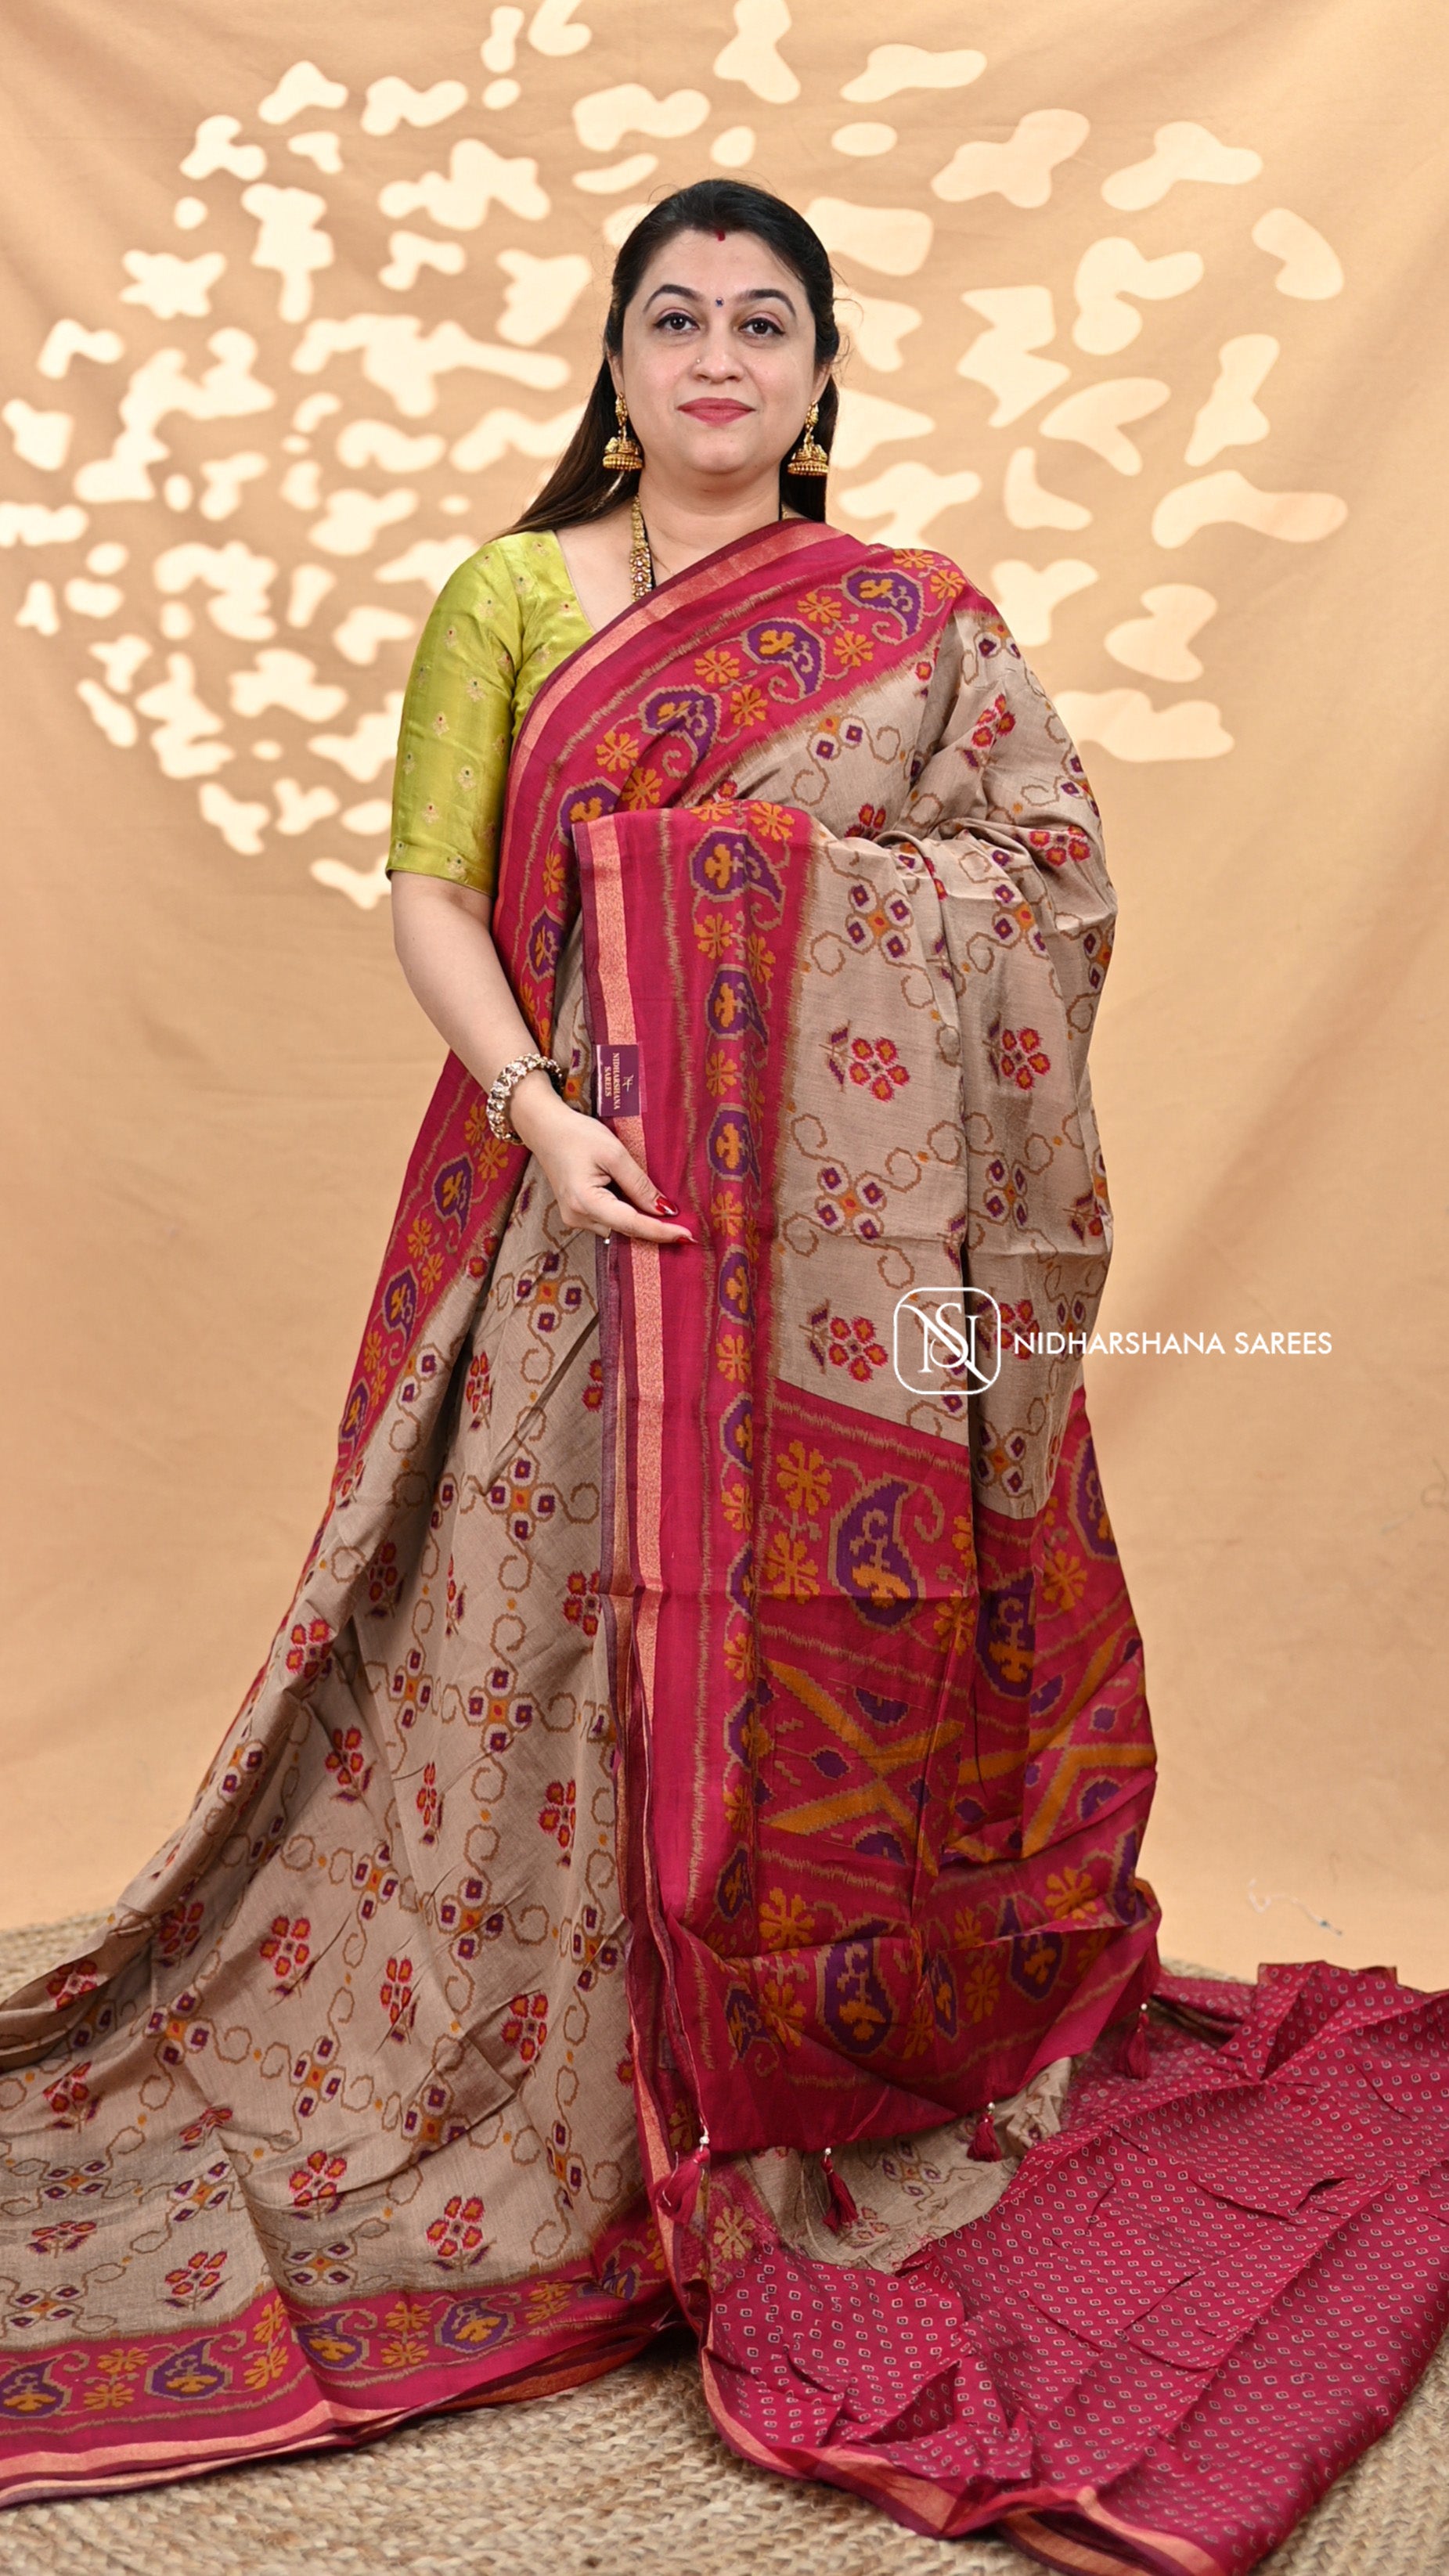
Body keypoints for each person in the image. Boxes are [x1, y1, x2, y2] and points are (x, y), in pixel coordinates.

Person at [3, 181, 1445, 2574]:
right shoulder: (509, 594)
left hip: (836, 1292)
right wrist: (542, 1109)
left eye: (761, 322)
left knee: (785, 1654)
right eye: (672, 317)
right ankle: (557, 2099)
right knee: (527, 1646)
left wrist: (756, 925)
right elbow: (431, 887)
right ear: (614, 356)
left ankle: (775, 2056)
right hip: (574, 1215)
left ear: (816, 369)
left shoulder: (915, 624)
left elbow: (1048, 881)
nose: (713, 356)